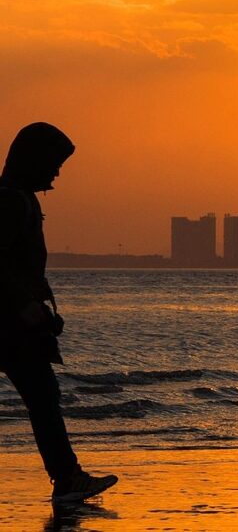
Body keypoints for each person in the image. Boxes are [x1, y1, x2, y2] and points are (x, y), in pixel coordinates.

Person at [0, 123, 118, 504]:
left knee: (44, 399)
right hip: (11, 324)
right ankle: (67, 479)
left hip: (19, 320)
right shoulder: (13, 202)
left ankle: (67, 477)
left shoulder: (21, 199)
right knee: (44, 399)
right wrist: (26, 306)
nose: (56, 172)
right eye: (53, 163)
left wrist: (43, 302)